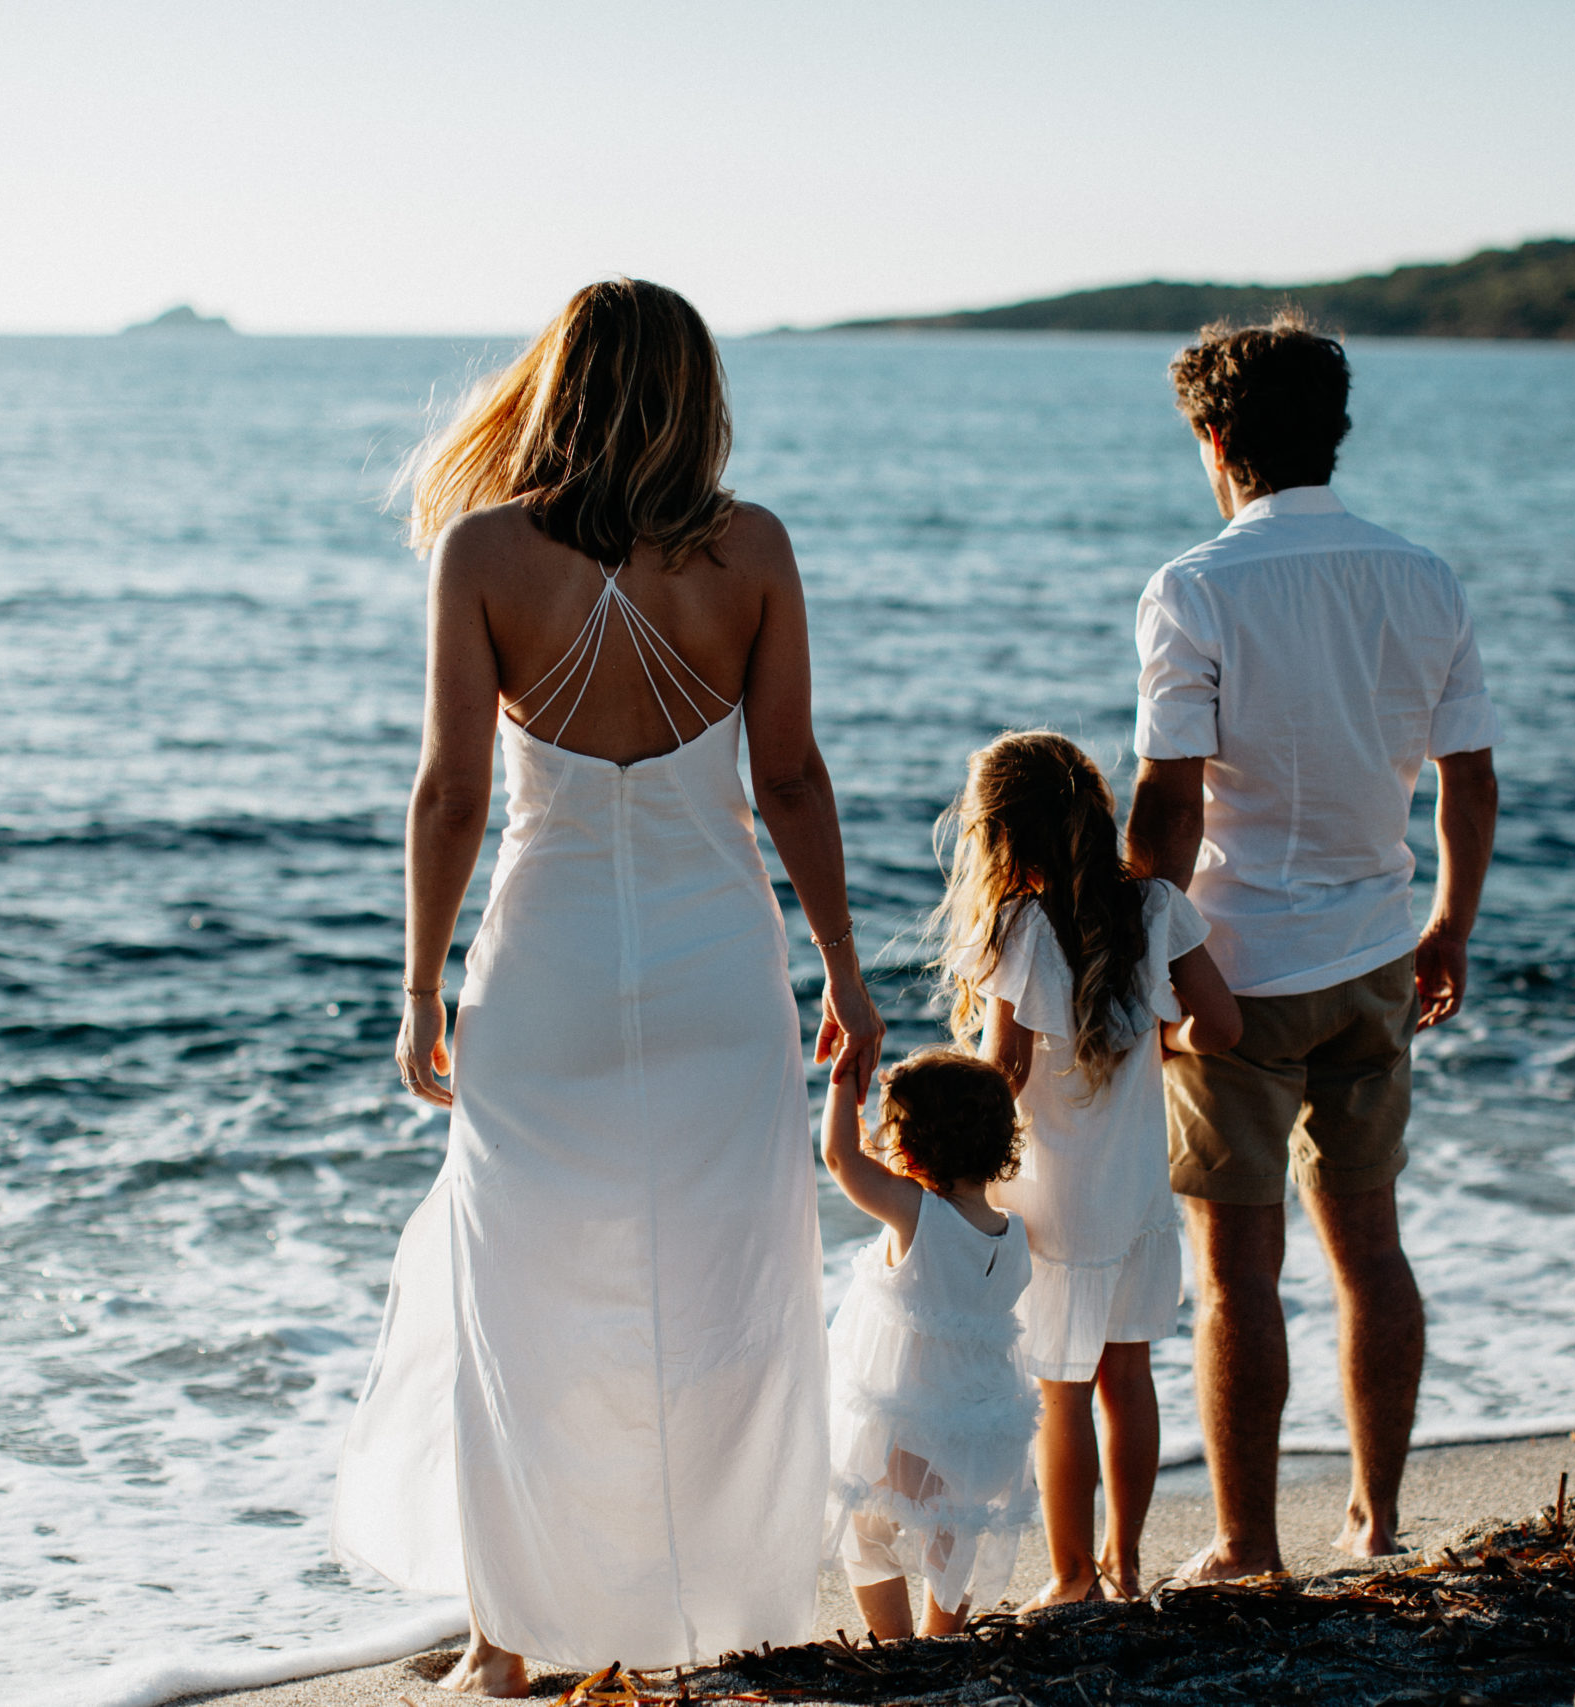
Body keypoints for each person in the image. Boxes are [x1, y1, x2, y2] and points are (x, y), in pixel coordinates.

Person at [331, 279, 885, 1695]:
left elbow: (454, 792)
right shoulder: (749, 548)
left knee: (521, 1293)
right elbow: (794, 778)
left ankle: (508, 1641)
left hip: (547, 970)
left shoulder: (484, 554)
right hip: (717, 967)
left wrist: (419, 986)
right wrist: (846, 966)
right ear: (695, 392)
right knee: (730, 1285)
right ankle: (735, 1607)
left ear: (559, 383)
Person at [1127, 309, 1501, 1571]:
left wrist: (1148, 957)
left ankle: (1246, 1545)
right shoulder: (1422, 575)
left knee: (1240, 1277)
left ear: (1217, 438)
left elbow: (1169, 803)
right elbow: (1469, 777)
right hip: (1374, 958)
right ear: (1328, 435)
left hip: (1231, 978)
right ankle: (1378, 1520)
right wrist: (1449, 920)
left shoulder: (1194, 587)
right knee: (1369, 1245)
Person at [932, 730, 1240, 1604]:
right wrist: (1158, 1039)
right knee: (1127, 1376)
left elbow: (1005, 1073)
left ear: (1003, 838)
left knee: (1060, 1389)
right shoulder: (1155, 907)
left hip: (1053, 1201)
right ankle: (1125, 1565)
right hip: (1136, 1193)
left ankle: (1072, 1579)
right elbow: (1221, 1027)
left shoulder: (1021, 925)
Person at [819, 1049, 1037, 1639]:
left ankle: (894, 1647)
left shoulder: (917, 1217)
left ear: (910, 1149)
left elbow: (839, 1159)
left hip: (907, 1416)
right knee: (952, 1530)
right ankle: (942, 1639)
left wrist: (844, 1082)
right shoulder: (1012, 1233)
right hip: (978, 1424)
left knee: (868, 1530)